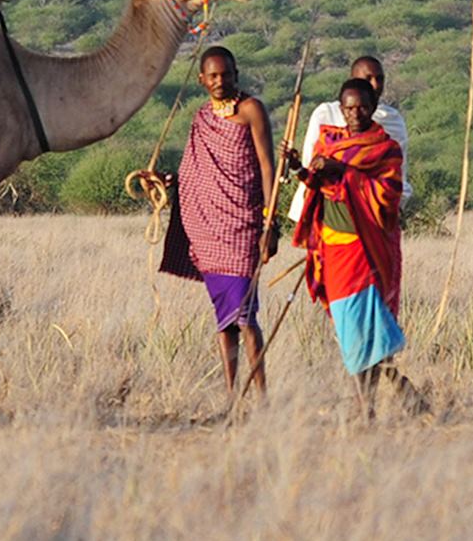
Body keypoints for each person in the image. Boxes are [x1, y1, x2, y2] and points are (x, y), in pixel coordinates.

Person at [159, 46, 279, 398]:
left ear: (236, 73)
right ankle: (231, 396)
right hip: (209, 230)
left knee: (245, 316)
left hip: (243, 225)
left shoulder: (251, 109)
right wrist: (173, 182)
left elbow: (268, 165)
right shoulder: (201, 118)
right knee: (225, 319)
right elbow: (196, 172)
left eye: (225, 74)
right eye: (212, 75)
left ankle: (262, 398)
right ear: (201, 80)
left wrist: (270, 223)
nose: (220, 81)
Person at [286, 79, 407, 417]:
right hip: (332, 248)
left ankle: (365, 406)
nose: (356, 113)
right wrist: (297, 165)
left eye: (362, 106)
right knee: (348, 328)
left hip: (363, 249)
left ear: (373, 105)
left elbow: (389, 195)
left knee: (362, 327)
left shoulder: (385, 148)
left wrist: (347, 173)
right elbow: (315, 180)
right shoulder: (330, 141)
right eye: (349, 108)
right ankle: (398, 390)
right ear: (340, 109)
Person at [285, 56, 411, 222]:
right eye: (368, 79)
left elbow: (396, 174)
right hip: (326, 207)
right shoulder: (326, 114)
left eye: (379, 79)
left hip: (371, 210)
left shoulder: (392, 120)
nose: (375, 85)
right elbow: (311, 164)